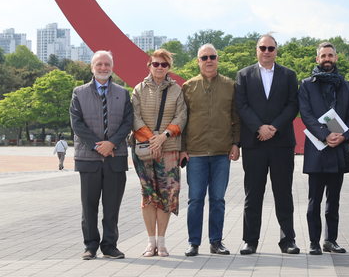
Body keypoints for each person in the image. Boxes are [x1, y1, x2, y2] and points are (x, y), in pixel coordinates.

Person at [235, 33, 300, 255]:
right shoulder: (244, 75)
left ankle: (288, 240)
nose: (266, 51)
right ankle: (250, 240)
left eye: (270, 48)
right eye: (262, 48)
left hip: (282, 143)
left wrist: (274, 128)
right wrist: (259, 128)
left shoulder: (289, 75)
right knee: (253, 194)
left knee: (283, 194)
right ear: (257, 50)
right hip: (254, 143)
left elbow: (293, 105)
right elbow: (241, 105)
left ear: (276, 51)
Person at [70, 50, 133, 260]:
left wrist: (112, 143)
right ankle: (90, 246)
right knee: (89, 206)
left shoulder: (123, 93)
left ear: (112, 67)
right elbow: (77, 123)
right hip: (89, 158)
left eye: (107, 64)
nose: (103, 68)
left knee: (112, 206)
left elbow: (128, 122)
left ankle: (109, 246)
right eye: (99, 64)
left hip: (116, 157)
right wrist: (98, 146)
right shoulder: (79, 93)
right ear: (92, 67)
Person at [180, 44, 241, 257]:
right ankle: (193, 243)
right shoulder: (188, 87)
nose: (208, 61)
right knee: (195, 199)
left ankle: (216, 241)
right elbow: (182, 120)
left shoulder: (230, 85)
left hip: (221, 152)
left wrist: (236, 143)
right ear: (198, 61)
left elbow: (236, 117)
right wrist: (182, 149)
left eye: (212, 57)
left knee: (218, 199)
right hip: (195, 153)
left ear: (217, 59)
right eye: (204, 57)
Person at [298, 42, 349, 255]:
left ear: (336, 58)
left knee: (334, 200)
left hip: (339, 150)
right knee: (314, 201)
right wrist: (325, 134)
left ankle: (330, 240)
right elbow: (306, 115)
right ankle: (314, 242)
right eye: (323, 56)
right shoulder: (306, 85)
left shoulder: (346, 85)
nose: (327, 59)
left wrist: (344, 136)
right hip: (317, 149)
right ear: (317, 59)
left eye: (330, 55)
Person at [130, 48, 187, 258]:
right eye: (156, 64)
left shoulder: (177, 90)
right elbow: (134, 117)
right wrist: (151, 140)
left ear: (169, 67)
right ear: (149, 65)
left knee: (167, 194)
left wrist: (163, 137)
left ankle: (161, 242)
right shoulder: (139, 89)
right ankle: (150, 242)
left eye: (164, 64)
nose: (160, 67)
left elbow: (181, 116)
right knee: (148, 195)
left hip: (169, 148)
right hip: (145, 149)